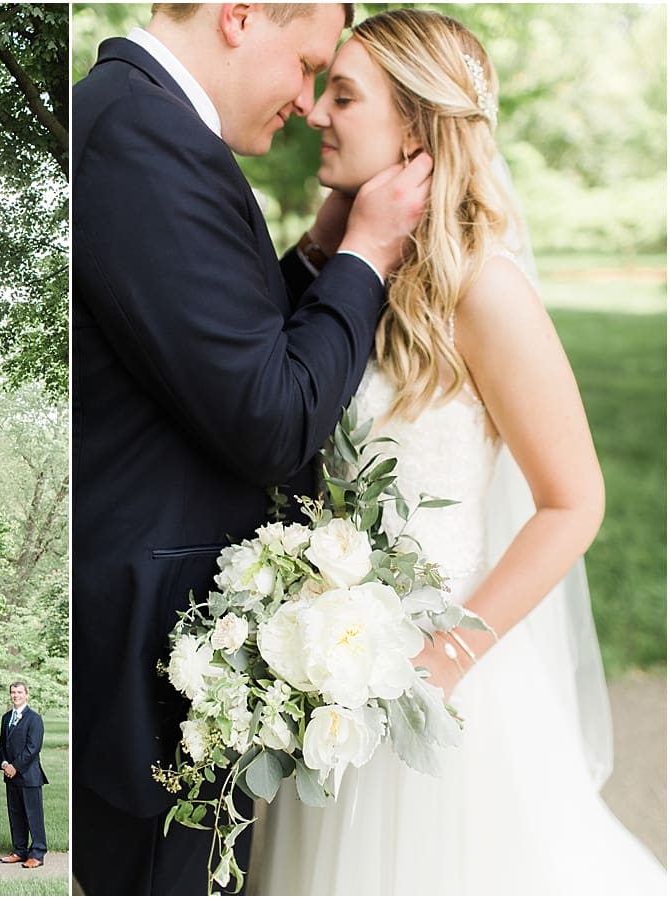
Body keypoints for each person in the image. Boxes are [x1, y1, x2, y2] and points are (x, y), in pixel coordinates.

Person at [247, 9, 667, 895]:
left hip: (440, 690)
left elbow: (574, 500)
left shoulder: (484, 287)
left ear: (415, 128)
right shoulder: (351, 275)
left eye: (346, 97)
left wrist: (438, 666)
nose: (318, 112)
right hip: (325, 685)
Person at [71, 3, 431, 893]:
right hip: (146, 669)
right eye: (309, 64)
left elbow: (204, 353)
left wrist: (315, 257)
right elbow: (270, 421)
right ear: (239, 16)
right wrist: (370, 250)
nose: (308, 104)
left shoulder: (141, 121)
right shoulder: (143, 141)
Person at [0, 681, 48, 869]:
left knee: (33, 815)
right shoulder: (5, 718)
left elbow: (33, 748)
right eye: (13, 692)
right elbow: (2, 744)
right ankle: (19, 850)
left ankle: (37, 852)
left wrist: (15, 767)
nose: (16, 695)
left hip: (28, 776)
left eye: (19, 692)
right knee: (15, 814)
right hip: (10, 776)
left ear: (27, 695)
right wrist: (4, 763)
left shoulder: (34, 719)